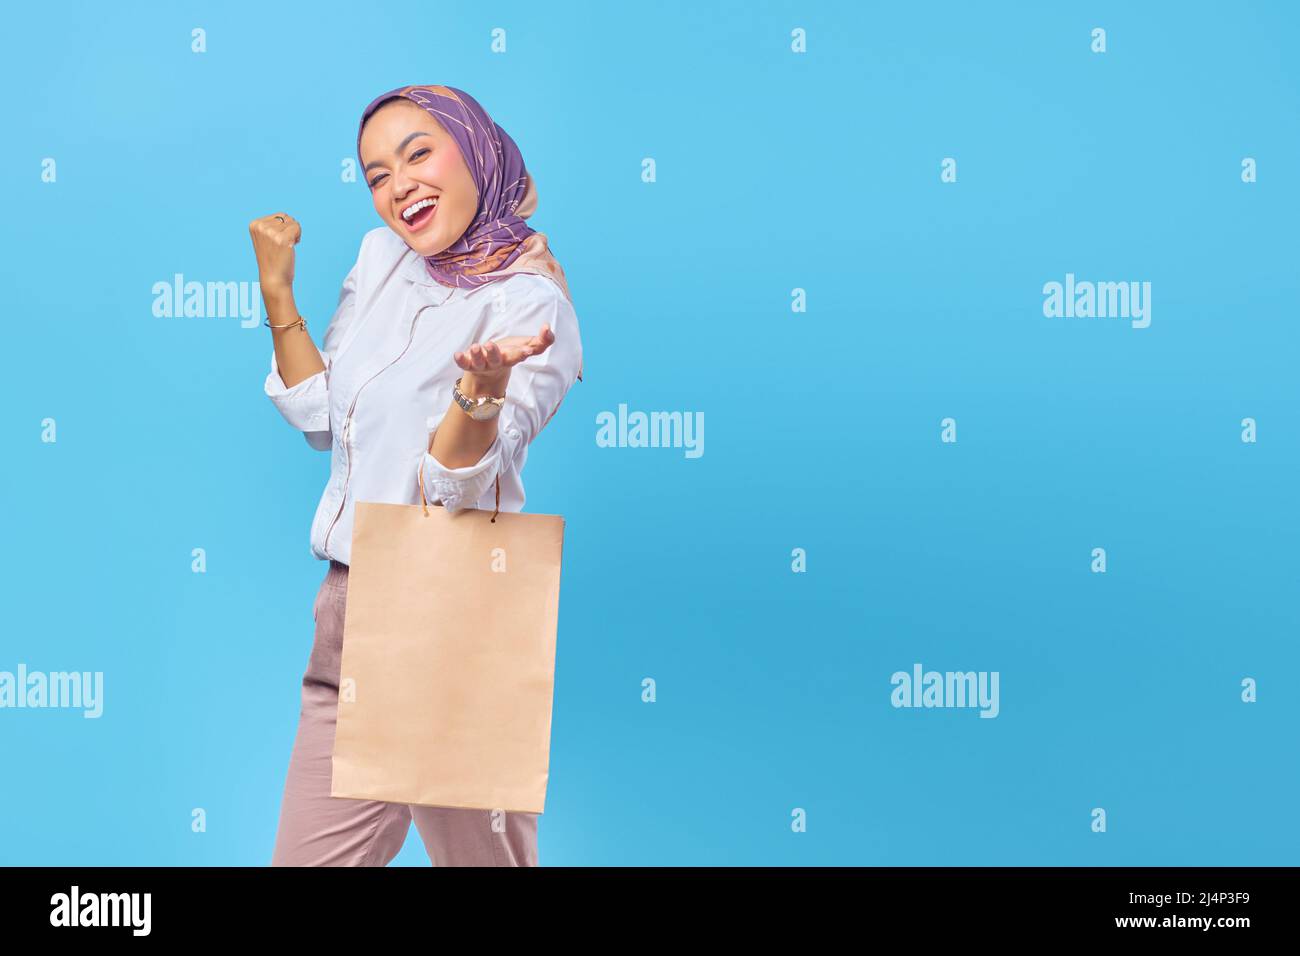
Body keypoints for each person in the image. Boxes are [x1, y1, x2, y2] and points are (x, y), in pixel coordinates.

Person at [253, 85, 583, 866]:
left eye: (418, 153)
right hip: (346, 604)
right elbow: (318, 416)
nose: (398, 185)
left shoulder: (532, 307)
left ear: (475, 149)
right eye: (375, 175)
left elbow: (458, 487)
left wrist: (482, 391)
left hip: (450, 614)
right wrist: (277, 292)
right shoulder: (380, 259)